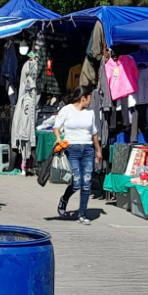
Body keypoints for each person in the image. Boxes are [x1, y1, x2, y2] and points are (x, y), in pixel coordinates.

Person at [53, 86, 103, 225]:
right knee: (76, 182)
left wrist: (98, 150)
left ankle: (82, 214)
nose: (91, 101)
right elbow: (56, 126)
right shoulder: (66, 110)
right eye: (89, 98)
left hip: (88, 149)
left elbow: (94, 133)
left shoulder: (90, 113)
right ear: (83, 98)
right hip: (72, 149)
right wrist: (58, 137)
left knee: (86, 184)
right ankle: (64, 199)